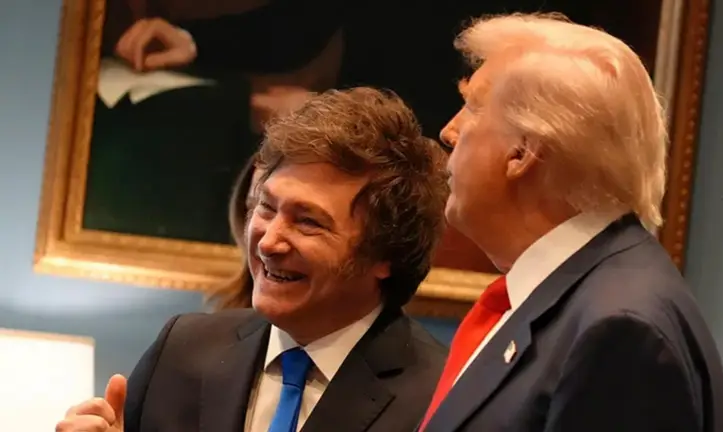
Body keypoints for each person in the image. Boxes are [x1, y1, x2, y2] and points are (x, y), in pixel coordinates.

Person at [56, 87, 449, 432]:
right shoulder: (181, 350)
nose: (269, 242)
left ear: (386, 253)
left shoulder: (440, 399)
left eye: (308, 222)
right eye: (266, 207)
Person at [419, 12, 723, 432]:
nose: (449, 131)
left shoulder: (619, 329)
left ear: (522, 152)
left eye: (473, 106)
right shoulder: (579, 296)